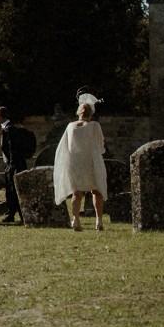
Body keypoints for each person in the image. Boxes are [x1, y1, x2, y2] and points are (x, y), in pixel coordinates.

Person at [53, 97, 107, 229]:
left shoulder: (70, 126)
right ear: (91, 113)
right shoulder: (95, 126)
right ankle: (98, 220)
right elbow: (101, 145)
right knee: (96, 191)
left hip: (76, 162)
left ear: (78, 112)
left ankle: (76, 220)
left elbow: (65, 146)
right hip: (92, 161)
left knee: (77, 193)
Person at [0, 106, 31, 223]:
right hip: (13, 164)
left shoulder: (9, 129)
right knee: (11, 190)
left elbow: (12, 149)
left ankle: (19, 214)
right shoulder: (8, 128)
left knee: (14, 190)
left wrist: (11, 165)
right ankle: (11, 213)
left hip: (15, 165)